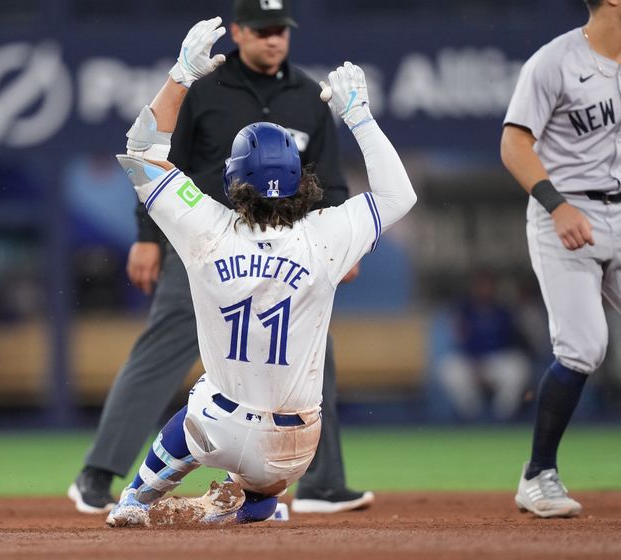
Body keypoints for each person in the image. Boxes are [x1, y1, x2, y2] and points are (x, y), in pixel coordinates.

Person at [104, 16, 415, 526]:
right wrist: (359, 117)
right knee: (264, 475)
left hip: (216, 427)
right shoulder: (329, 234)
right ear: (300, 179)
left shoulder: (204, 225)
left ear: (233, 180)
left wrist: (181, 75)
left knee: (200, 403)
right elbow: (397, 194)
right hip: (295, 447)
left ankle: (135, 500)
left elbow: (141, 151)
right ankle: (254, 504)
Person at [500, 0, 620, 518]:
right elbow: (513, 144)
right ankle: (537, 474)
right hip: (567, 213)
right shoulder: (554, 62)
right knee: (584, 346)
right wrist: (557, 204)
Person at [437, 270, 531, 421]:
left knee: (519, 367)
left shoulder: (503, 311)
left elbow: (512, 343)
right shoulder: (464, 310)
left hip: (496, 362)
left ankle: (501, 417)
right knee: (449, 369)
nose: (484, 289)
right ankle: (473, 417)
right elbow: (461, 341)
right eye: (480, 285)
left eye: (487, 285)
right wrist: (476, 364)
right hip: (471, 363)